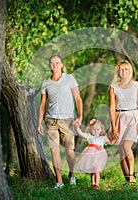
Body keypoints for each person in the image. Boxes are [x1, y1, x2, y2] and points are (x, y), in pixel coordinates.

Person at [37, 54, 83, 190]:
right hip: (50, 120)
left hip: (67, 120)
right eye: (52, 63)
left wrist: (80, 117)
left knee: (69, 151)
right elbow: (42, 104)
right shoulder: (46, 83)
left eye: (57, 63)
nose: (54, 65)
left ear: (62, 64)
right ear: (49, 65)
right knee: (54, 151)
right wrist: (39, 122)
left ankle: (72, 174)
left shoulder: (69, 79)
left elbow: (78, 99)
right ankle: (59, 182)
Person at [108, 60, 138, 184]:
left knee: (126, 146)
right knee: (121, 150)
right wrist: (113, 126)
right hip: (120, 117)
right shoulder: (113, 87)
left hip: (134, 117)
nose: (123, 72)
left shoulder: (136, 85)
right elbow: (112, 107)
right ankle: (127, 179)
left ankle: (132, 175)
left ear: (130, 71)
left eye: (126, 70)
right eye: (121, 69)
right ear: (118, 71)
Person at [74, 119, 114, 189]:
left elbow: (110, 142)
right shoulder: (89, 136)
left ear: (101, 129)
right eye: (93, 129)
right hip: (90, 155)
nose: (96, 131)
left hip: (99, 156)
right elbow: (81, 133)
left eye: (98, 129)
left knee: (97, 170)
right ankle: (93, 183)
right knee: (93, 170)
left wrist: (115, 138)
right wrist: (77, 127)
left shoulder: (103, 138)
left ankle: (97, 184)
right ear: (90, 129)